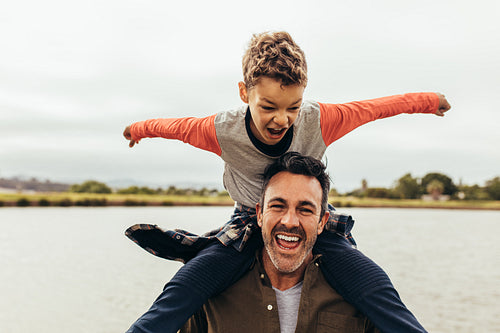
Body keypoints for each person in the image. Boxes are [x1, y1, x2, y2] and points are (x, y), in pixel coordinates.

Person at [124, 31, 450, 333]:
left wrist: (429, 101)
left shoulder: (321, 120)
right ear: (244, 93)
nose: (282, 119)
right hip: (248, 217)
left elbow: (376, 109)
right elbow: (173, 127)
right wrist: (136, 130)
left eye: (293, 107)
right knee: (185, 288)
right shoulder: (221, 131)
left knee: (372, 285)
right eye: (268, 107)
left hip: (309, 214)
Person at [180, 152, 382, 333]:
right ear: (259, 214)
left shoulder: (357, 292)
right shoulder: (213, 286)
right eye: (278, 206)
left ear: (322, 222)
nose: (290, 222)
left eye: (305, 209)